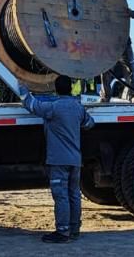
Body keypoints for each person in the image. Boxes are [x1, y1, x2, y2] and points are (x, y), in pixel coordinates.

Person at [18, 76, 95, 243]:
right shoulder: (77, 108)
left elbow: (30, 105)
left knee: (61, 196)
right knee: (74, 194)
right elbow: (89, 123)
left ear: (56, 89)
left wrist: (22, 85)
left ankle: (62, 232)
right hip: (75, 160)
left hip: (58, 160)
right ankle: (74, 229)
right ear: (70, 89)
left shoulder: (53, 108)